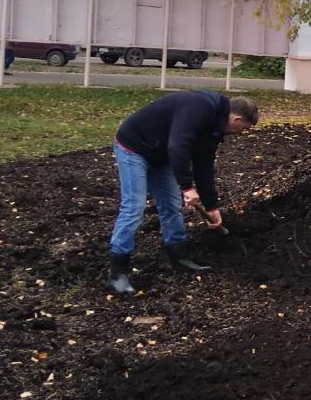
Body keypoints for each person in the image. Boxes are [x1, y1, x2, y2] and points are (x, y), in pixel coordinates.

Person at [107, 90, 259, 295]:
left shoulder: (215, 130)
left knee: (171, 205)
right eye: (241, 129)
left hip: (161, 155)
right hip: (134, 147)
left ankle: (179, 257)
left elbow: (203, 167)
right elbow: (178, 145)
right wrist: (187, 187)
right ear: (236, 118)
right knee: (134, 207)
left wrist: (212, 206)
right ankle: (118, 273)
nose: (239, 133)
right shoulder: (200, 107)